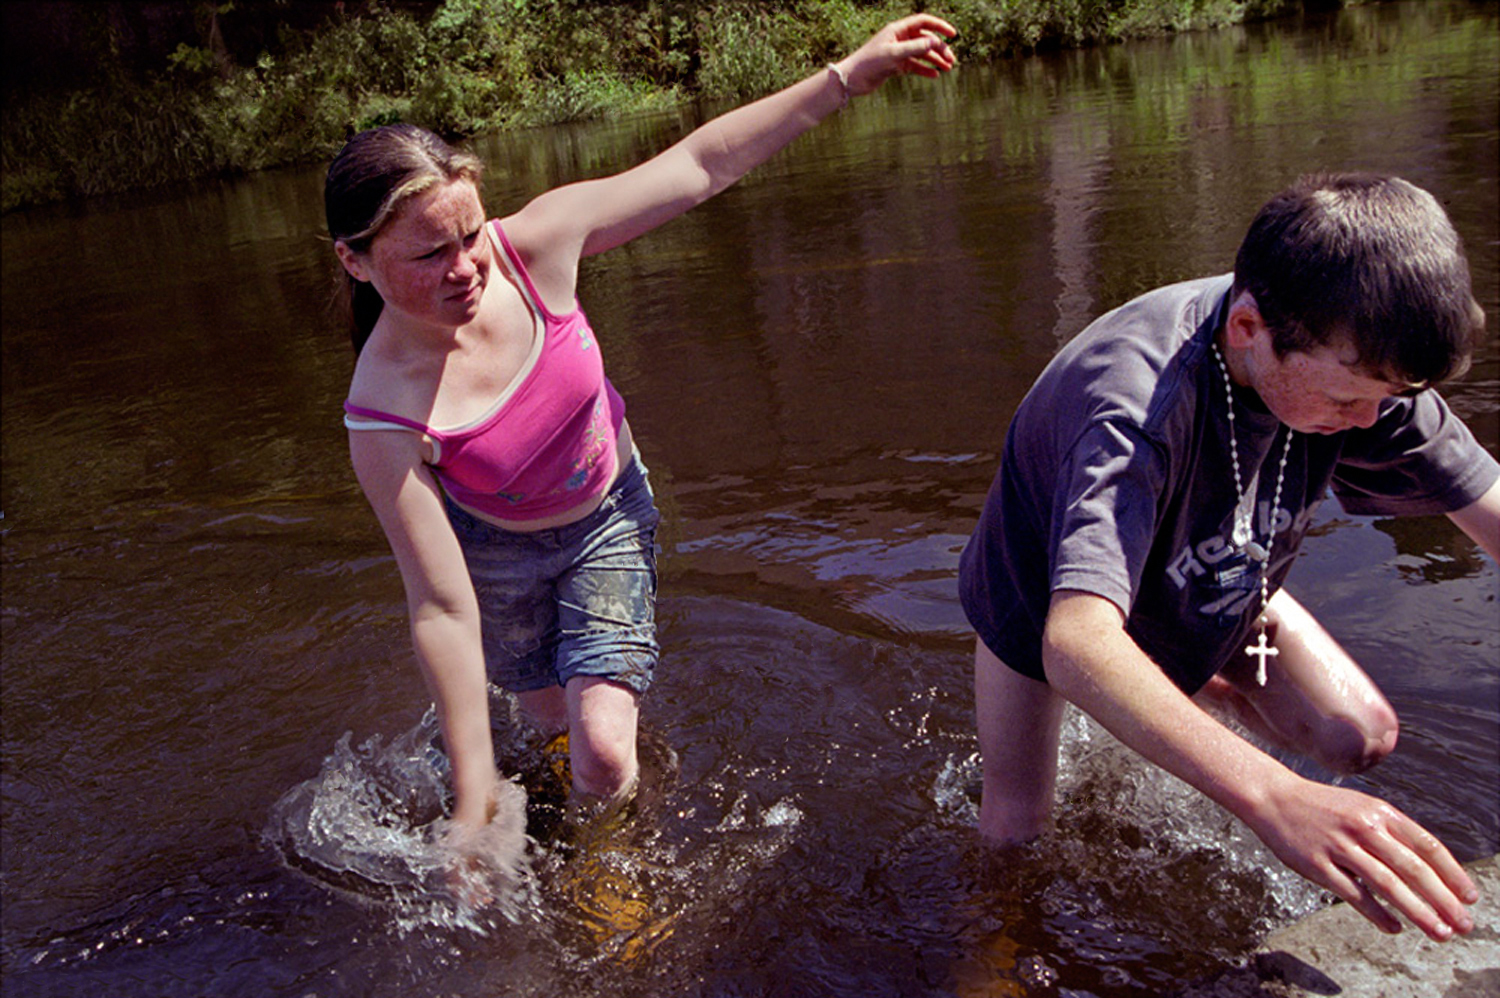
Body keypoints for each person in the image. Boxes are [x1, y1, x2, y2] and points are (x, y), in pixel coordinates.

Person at [323, 16, 957, 891]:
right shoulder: (382, 412)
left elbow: (699, 167)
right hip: (495, 562)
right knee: (547, 733)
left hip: (604, 517)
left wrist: (847, 76)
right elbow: (441, 606)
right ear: (354, 263)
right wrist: (474, 804)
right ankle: (549, 826)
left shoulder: (534, 246)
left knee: (603, 756)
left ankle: (614, 876)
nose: (465, 266)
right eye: (428, 254)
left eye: (468, 234)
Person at [958, 173, 1500, 942]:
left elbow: (1490, 504)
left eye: (1389, 397)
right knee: (1019, 828)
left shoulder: (1357, 347)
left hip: (1224, 572)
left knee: (1359, 737)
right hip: (1045, 605)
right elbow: (1075, 642)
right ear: (1247, 328)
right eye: (1351, 403)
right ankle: (985, 961)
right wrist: (1274, 797)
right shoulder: (1133, 411)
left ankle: (1191, 680)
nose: (1373, 422)